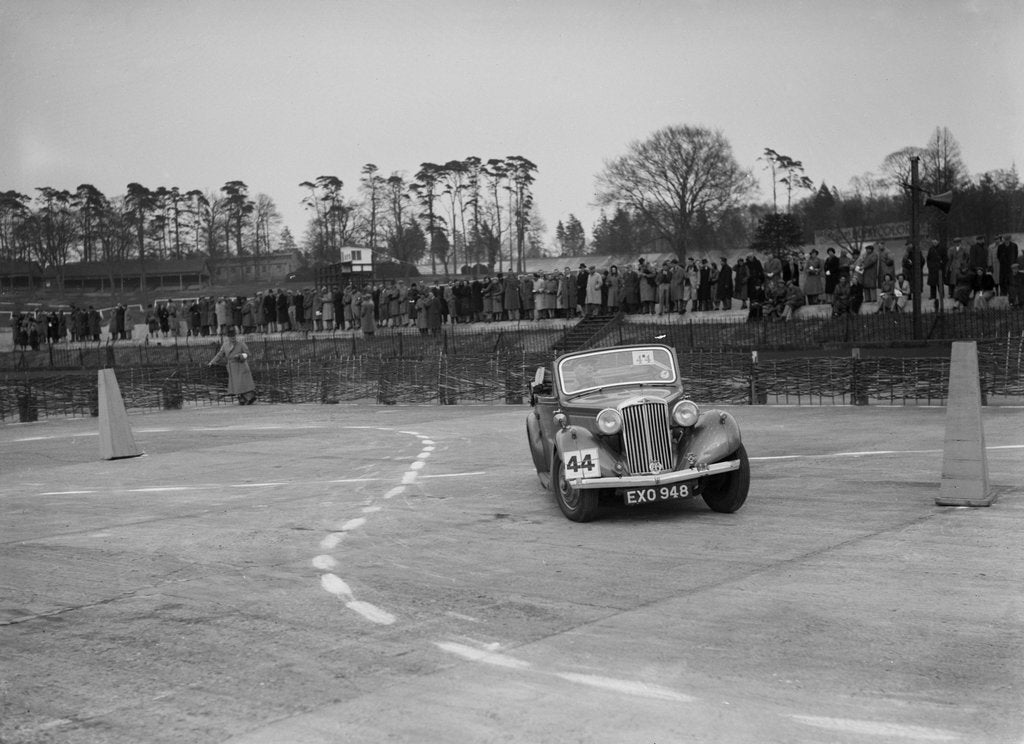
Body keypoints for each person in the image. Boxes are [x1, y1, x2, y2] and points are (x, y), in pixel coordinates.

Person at [208, 327, 257, 405]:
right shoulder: (225, 345)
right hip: (231, 367)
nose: (233, 338)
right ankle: (241, 399)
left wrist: (240, 356)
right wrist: (212, 362)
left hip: (241, 366)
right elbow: (219, 355)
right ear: (228, 337)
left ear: (236, 336)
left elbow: (248, 354)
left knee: (243, 383)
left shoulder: (241, 344)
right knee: (236, 384)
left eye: (234, 337)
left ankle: (249, 398)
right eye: (231, 337)